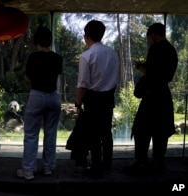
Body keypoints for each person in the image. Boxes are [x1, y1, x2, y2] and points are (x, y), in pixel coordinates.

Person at [125, 23, 178, 174]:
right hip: (163, 95)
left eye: (150, 35)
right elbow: (166, 74)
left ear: (154, 34)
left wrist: (143, 68)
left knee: (141, 128)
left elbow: (153, 73)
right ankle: (158, 161)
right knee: (161, 130)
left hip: (152, 95)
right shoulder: (171, 50)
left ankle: (141, 161)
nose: (150, 39)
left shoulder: (156, 48)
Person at [16, 26, 63, 180]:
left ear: (37, 41)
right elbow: (56, 75)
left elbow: (28, 78)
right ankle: (48, 167)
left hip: (37, 96)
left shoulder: (33, 57)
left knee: (31, 134)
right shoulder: (57, 58)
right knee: (50, 134)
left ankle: (28, 170)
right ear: (50, 41)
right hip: (53, 97)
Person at [75, 20, 120, 177]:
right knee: (106, 132)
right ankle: (107, 164)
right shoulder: (113, 53)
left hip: (93, 98)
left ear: (86, 36)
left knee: (93, 133)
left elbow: (83, 85)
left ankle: (96, 166)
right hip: (108, 97)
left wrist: (78, 104)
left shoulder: (87, 56)